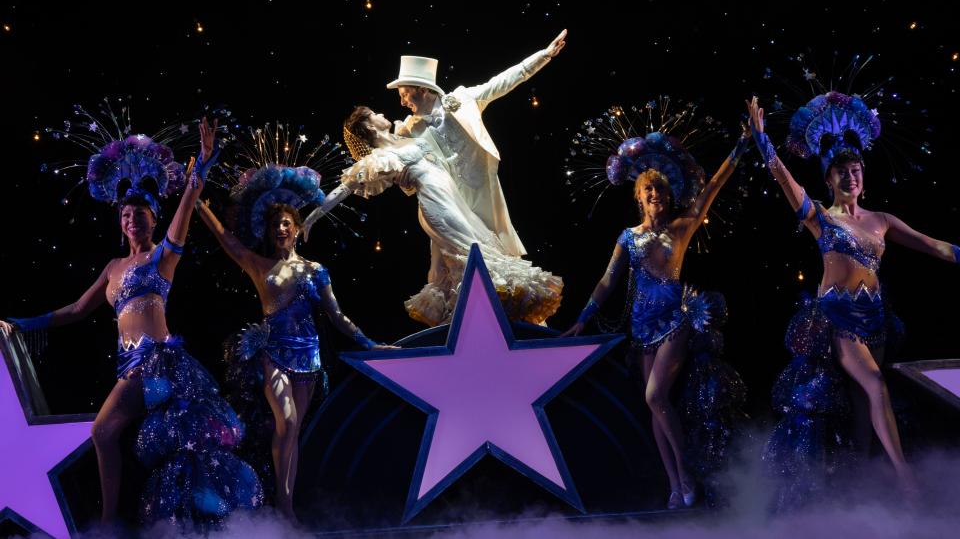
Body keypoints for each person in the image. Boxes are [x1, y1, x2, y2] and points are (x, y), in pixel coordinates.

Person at [1, 118, 263, 527]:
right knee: (161, 451)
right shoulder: (113, 267)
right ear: (119, 221)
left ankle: (110, 523)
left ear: (153, 218)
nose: (131, 219)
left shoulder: (163, 257)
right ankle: (179, 524)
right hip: (129, 367)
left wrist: (200, 173)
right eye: (125, 214)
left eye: (139, 213)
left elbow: (185, 218)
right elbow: (74, 310)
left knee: (104, 432)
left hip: (157, 364)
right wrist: (23, 322)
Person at [746, 93, 958, 508]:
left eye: (856, 170)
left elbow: (935, 246)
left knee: (865, 407)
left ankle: (863, 490)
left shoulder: (882, 221)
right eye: (841, 171)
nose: (850, 177)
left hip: (874, 319)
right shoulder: (821, 218)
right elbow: (787, 184)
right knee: (876, 386)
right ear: (829, 178)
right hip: (838, 319)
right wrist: (763, 143)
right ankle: (907, 481)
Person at [563, 128, 750, 509]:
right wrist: (584, 317)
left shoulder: (681, 230)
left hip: (674, 323)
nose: (655, 196)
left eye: (660, 190)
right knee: (655, 405)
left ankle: (686, 476)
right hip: (641, 329)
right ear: (639, 197)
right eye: (648, 191)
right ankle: (674, 483)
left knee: (655, 395)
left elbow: (711, 189)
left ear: (668, 195)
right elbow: (607, 281)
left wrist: (739, 147)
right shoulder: (628, 237)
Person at [195, 162, 385, 520]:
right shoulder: (258, 265)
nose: (280, 229)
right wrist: (197, 203)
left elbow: (337, 316)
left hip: (308, 357)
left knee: (293, 427)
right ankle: (282, 503)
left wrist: (371, 345)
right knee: (285, 420)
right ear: (269, 232)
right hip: (274, 351)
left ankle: (286, 504)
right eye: (275, 225)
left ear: (298, 229)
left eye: (286, 224)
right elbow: (226, 238)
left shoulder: (316, 270)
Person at [303, 106, 562, 327]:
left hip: (453, 198)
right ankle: (487, 321)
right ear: (369, 128)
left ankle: (500, 323)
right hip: (436, 204)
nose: (382, 113)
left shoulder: (405, 135)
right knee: (472, 252)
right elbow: (346, 187)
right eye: (374, 114)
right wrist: (314, 214)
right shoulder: (380, 157)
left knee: (450, 265)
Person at [388, 29, 567, 256]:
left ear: (422, 89)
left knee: (499, 256)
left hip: (483, 192)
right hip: (452, 204)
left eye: (404, 94)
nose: (402, 102)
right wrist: (404, 181)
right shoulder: (409, 131)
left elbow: (502, 82)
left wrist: (544, 55)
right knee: (465, 262)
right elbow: (411, 183)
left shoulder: (462, 101)